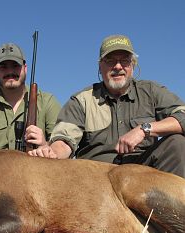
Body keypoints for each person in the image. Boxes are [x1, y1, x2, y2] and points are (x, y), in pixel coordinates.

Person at [29, 35, 185, 178]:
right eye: (110, 60)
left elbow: (182, 116)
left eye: (124, 60)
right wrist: (52, 152)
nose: (118, 66)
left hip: (143, 173)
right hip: (98, 180)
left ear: (132, 65)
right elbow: (64, 140)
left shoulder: (151, 91)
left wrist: (144, 129)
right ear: (100, 66)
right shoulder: (82, 100)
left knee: (178, 143)